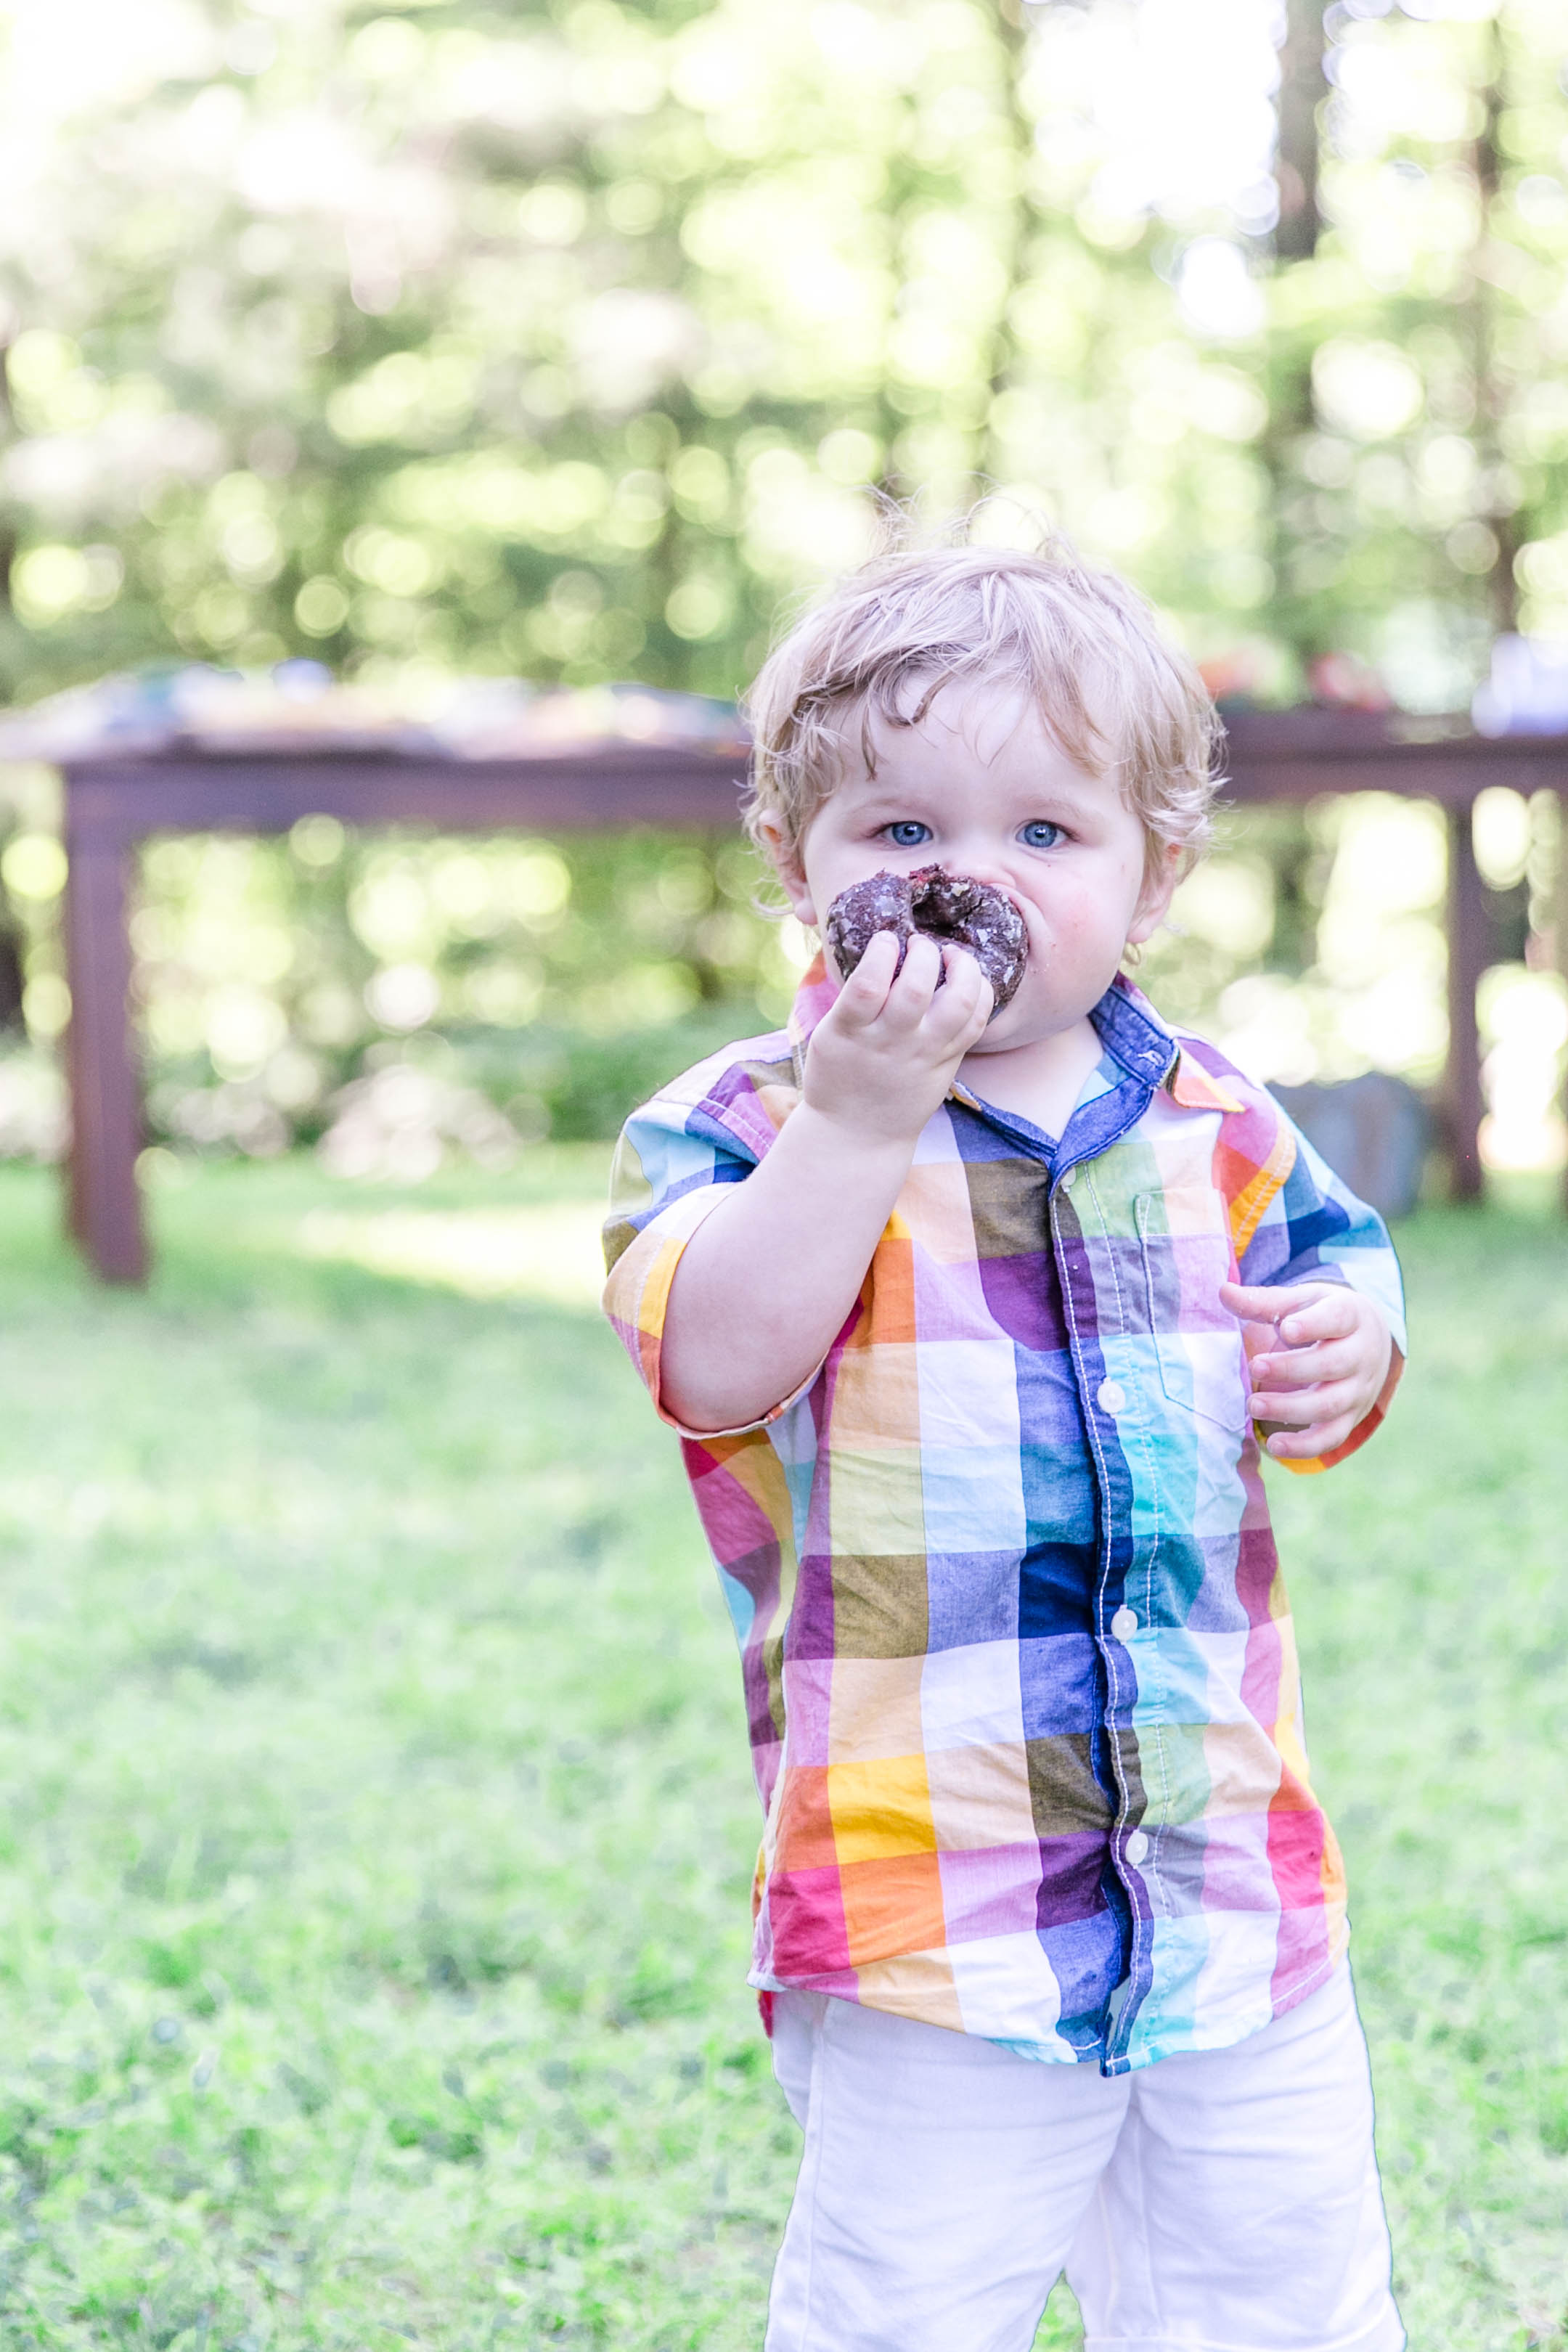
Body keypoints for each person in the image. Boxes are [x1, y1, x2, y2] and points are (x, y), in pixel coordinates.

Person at [602, 539, 1407, 2352]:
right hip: (929, 1900)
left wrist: (1352, 1349)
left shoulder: (1221, 1121)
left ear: (1153, 876)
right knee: (907, 2305)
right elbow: (719, 1360)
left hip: (1224, 1879)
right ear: (795, 866)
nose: (969, 873)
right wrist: (859, 1115)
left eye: (1046, 833)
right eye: (899, 832)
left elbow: (1343, 1283)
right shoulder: (736, 1123)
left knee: (1280, 2300)